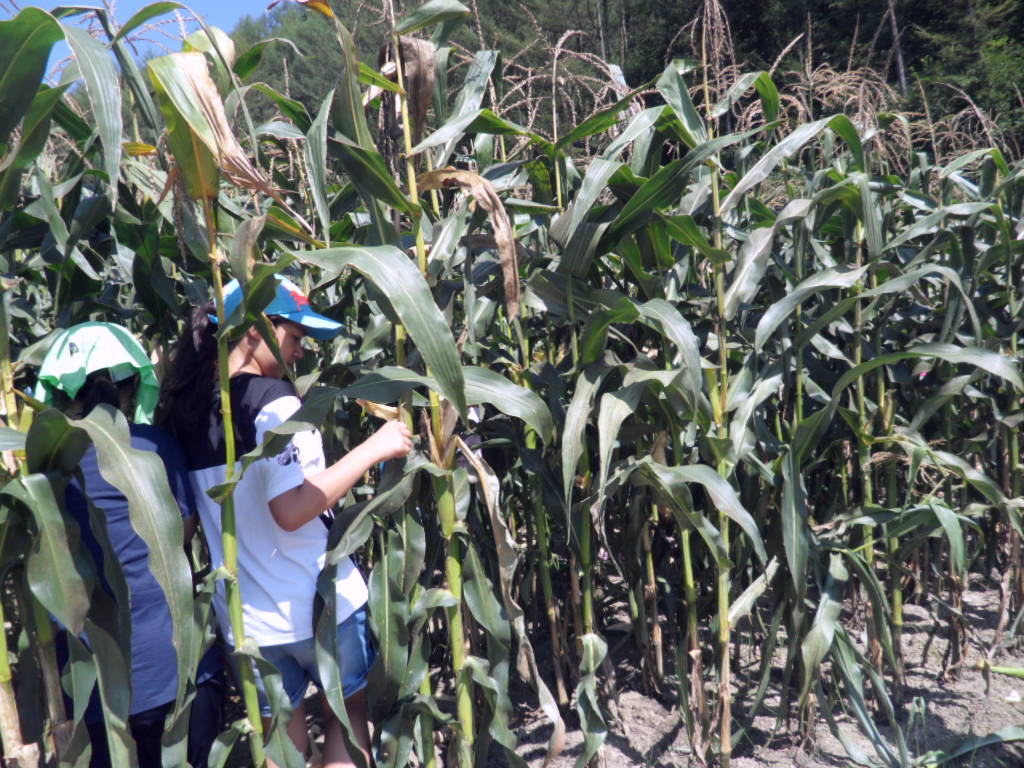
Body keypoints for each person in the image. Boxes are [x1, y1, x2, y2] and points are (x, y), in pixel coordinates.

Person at [156, 275, 412, 768]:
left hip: (251, 624)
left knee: (281, 740)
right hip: (319, 604)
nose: (300, 352)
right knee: (347, 712)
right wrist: (373, 449)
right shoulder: (274, 400)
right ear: (256, 330)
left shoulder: (186, 411)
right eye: (294, 337)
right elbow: (291, 510)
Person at [37, 322, 224, 768]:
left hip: (93, 680)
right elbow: (181, 534)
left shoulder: (48, 466)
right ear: (132, 387)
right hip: (175, 666)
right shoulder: (158, 446)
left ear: (65, 394)